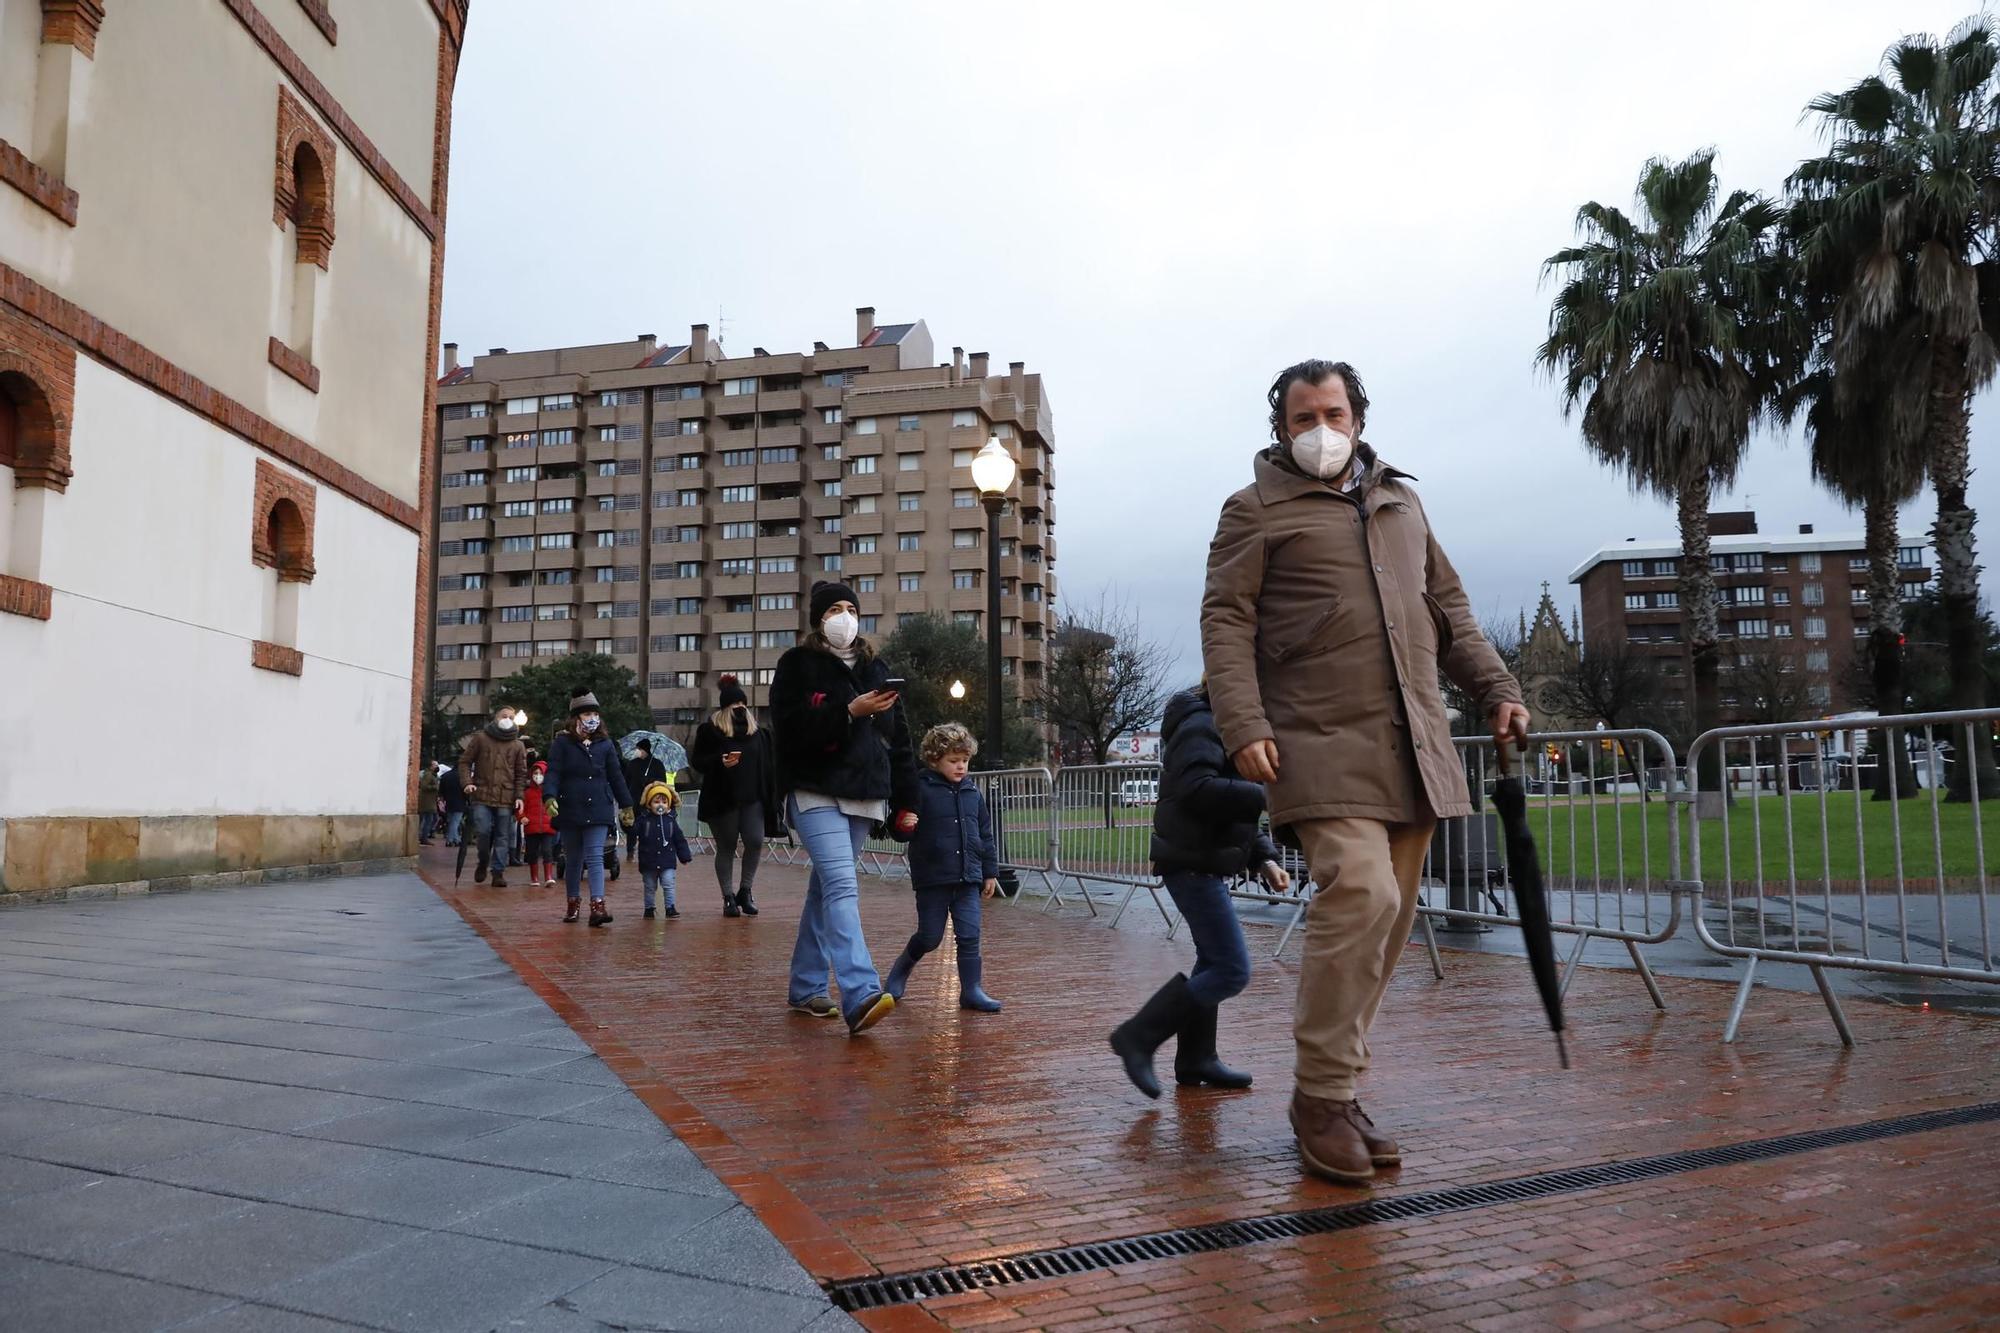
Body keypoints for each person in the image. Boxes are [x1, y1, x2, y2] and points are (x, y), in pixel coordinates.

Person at [1202, 359, 1528, 1185]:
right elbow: (1226, 619)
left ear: (1358, 416)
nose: (1320, 427)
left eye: (1334, 411)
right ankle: (1318, 1097)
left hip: (1412, 739)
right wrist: (1242, 723)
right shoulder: (1253, 510)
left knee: (1388, 923)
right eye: (1303, 415)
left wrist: (1498, 687)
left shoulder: (1402, 502)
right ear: (1280, 427)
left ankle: (1340, 1090)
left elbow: (1449, 612)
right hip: (1314, 737)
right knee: (1362, 892)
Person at [1110, 683, 1287, 1098]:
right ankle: (1139, 1036)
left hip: (1201, 864)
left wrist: (1264, 857)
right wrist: (1270, 795)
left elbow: (1231, 806)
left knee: (1213, 963)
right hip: (1191, 864)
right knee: (1231, 969)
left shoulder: (1224, 725)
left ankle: (1196, 1059)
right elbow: (1198, 789)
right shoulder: (1201, 724)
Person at [771, 581, 919, 1035]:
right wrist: (846, 712)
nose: (844, 616)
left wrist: (906, 802)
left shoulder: (878, 668)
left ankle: (806, 986)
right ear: (819, 618)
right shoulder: (796, 665)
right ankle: (860, 992)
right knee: (841, 885)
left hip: (866, 794)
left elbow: (900, 738)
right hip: (814, 790)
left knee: (825, 891)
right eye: (834, 608)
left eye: (850, 608)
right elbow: (789, 729)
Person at [883, 723, 1002, 1012]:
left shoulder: (973, 793)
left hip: (967, 878)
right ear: (935, 759)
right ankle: (901, 968)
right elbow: (899, 828)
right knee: (930, 936)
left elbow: (985, 833)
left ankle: (971, 989)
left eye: (965, 761)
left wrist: (990, 871)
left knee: (970, 934)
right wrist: (904, 824)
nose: (961, 767)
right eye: (953, 761)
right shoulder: (920, 789)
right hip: (933, 877)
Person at [691, 674, 781, 918]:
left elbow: (769, 766)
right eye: (734, 706)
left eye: (743, 705)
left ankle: (746, 890)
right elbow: (697, 762)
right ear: (725, 709)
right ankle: (728, 897)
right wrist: (719, 762)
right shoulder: (711, 731)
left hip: (753, 799)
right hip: (723, 799)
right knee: (727, 846)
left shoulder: (759, 734)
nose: (740, 710)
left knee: (755, 840)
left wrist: (773, 796)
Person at [543, 691, 635, 926]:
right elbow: (553, 771)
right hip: (570, 806)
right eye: (587, 713)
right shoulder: (562, 743)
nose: (592, 718)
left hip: (599, 807)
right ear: (575, 717)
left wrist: (626, 805)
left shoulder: (605, 744)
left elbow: (616, 776)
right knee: (573, 859)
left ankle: (598, 906)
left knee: (595, 855)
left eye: (595, 713)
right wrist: (549, 796)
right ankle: (573, 903)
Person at [457, 704, 530, 888]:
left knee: (502, 836)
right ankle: (483, 861)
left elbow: (521, 773)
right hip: (482, 794)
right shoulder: (481, 738)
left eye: (511, 717)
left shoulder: (518, 745)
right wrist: (467, 783)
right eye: (504, 716)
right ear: (496, 718)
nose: (507, 720)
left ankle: (498, 871)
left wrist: (519, 796)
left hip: (506, 798)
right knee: (483, 831)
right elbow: (465, 762)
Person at [635, 781, 695, 919]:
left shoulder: (671, 821)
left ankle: (670, 907)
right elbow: (633, 830)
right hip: (648, 861)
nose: (660, 805)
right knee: (649, 886)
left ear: (668, 805)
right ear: (649, 805)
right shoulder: (644, 820)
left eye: (664, 802)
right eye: (656, 802)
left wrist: (684, 856)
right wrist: (627, 823)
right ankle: (649, 908)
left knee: (668, 883)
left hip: (667, 860)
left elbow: (679, 839)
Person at [621, 739, 669, 861]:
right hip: (633, 801)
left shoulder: (657, 764)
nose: (637, 751)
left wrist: (649, 781)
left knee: (647, 827)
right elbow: (626, 781)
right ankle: (630, 850)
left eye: (639, 749)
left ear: (645, 750)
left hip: (649, 801)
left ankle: (646, 851)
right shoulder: (632, 764)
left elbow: (662, 782)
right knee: (631, 827)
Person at [520, 760, 556, 888]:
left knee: (547, 851)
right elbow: (520, 808)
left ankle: (548, 876)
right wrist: (522, 817)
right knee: (532, 853)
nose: (538, 776)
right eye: (535, 773)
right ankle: (534, 877)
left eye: (541, 773)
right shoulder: (527, 792)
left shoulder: (550, 792)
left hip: (547, 827)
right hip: (531, 827)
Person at [438, 760, 468, 847]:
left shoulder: (445, 776)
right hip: (459, 802)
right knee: (455, 822)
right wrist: (467, 800)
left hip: (448, 802)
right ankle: (450, 840)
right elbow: (465, 791)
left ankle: (456, 839)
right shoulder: (462, 777)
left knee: (451, 821)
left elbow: (441, 790)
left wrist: (443, 799)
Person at [417, 762, 440, 845]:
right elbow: (424, 786)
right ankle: (424, 837)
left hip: (430, 801)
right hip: (427, 802)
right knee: (429, 820)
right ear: (431, 766)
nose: (437, 767)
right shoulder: (428, 775)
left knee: (430, 819)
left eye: (437, 765)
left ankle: (423, 836)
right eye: (435, 765)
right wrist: (435, 787)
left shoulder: (433, 775)